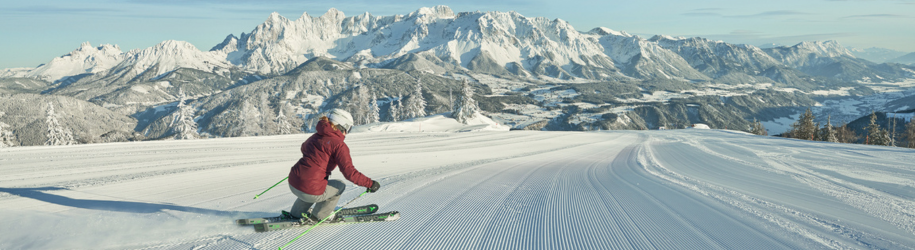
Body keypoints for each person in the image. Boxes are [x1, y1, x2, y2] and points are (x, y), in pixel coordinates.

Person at [286, 109, 380, 222]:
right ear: (342, 126)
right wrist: (370, 183)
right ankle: (320, 216)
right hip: (310, 190)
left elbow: (304, 148)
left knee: (312, 184)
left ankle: (296, 213)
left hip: (293, 182)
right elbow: (349, 173)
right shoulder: (339, 145)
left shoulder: (316, 135)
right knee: (339, 185)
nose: (347, 132)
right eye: (348, 129)